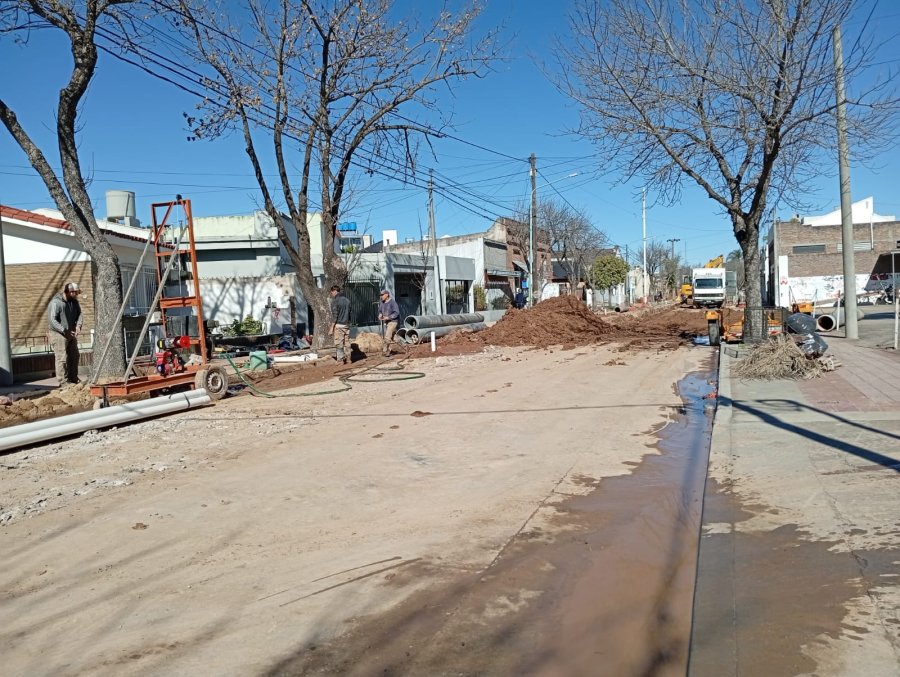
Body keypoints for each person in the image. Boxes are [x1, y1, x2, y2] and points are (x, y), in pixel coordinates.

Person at [47, 281, 84, 387]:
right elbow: (52, 320)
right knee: (61, 358)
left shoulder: (74, 302)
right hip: (58, 333)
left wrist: (78, 325)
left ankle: (73, 378)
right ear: (69, 292)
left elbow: (79, 314)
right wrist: (64, 330)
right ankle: (63, 382)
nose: (77, 295)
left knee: (74, 355)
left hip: (70, 332)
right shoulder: (56, 303)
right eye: (75, 293)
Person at [329, 285, 351, 364]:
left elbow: (335, 315)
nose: (331, 294)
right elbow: (349, 313)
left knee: (339, 343)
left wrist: (331, 328)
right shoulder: (347, 300)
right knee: (347, 343)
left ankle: (340, 360)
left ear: (335, 291)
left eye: (332, 292)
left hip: (339, 325)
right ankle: (349, 359)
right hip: (347, 325)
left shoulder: (335, 301)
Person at [377, 289, 400, 357]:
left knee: (387, 336)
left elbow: (396, 313)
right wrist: (380, 314)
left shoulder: (393, 303)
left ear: (387, 295)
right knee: (394, 337)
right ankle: (404, 345)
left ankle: (385, 351)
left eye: (382, 295)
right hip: (387, 322)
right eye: (380, 295)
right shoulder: (382, 303)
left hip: (393, 322)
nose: (381, 296)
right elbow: (380, 311)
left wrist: (389, 317)